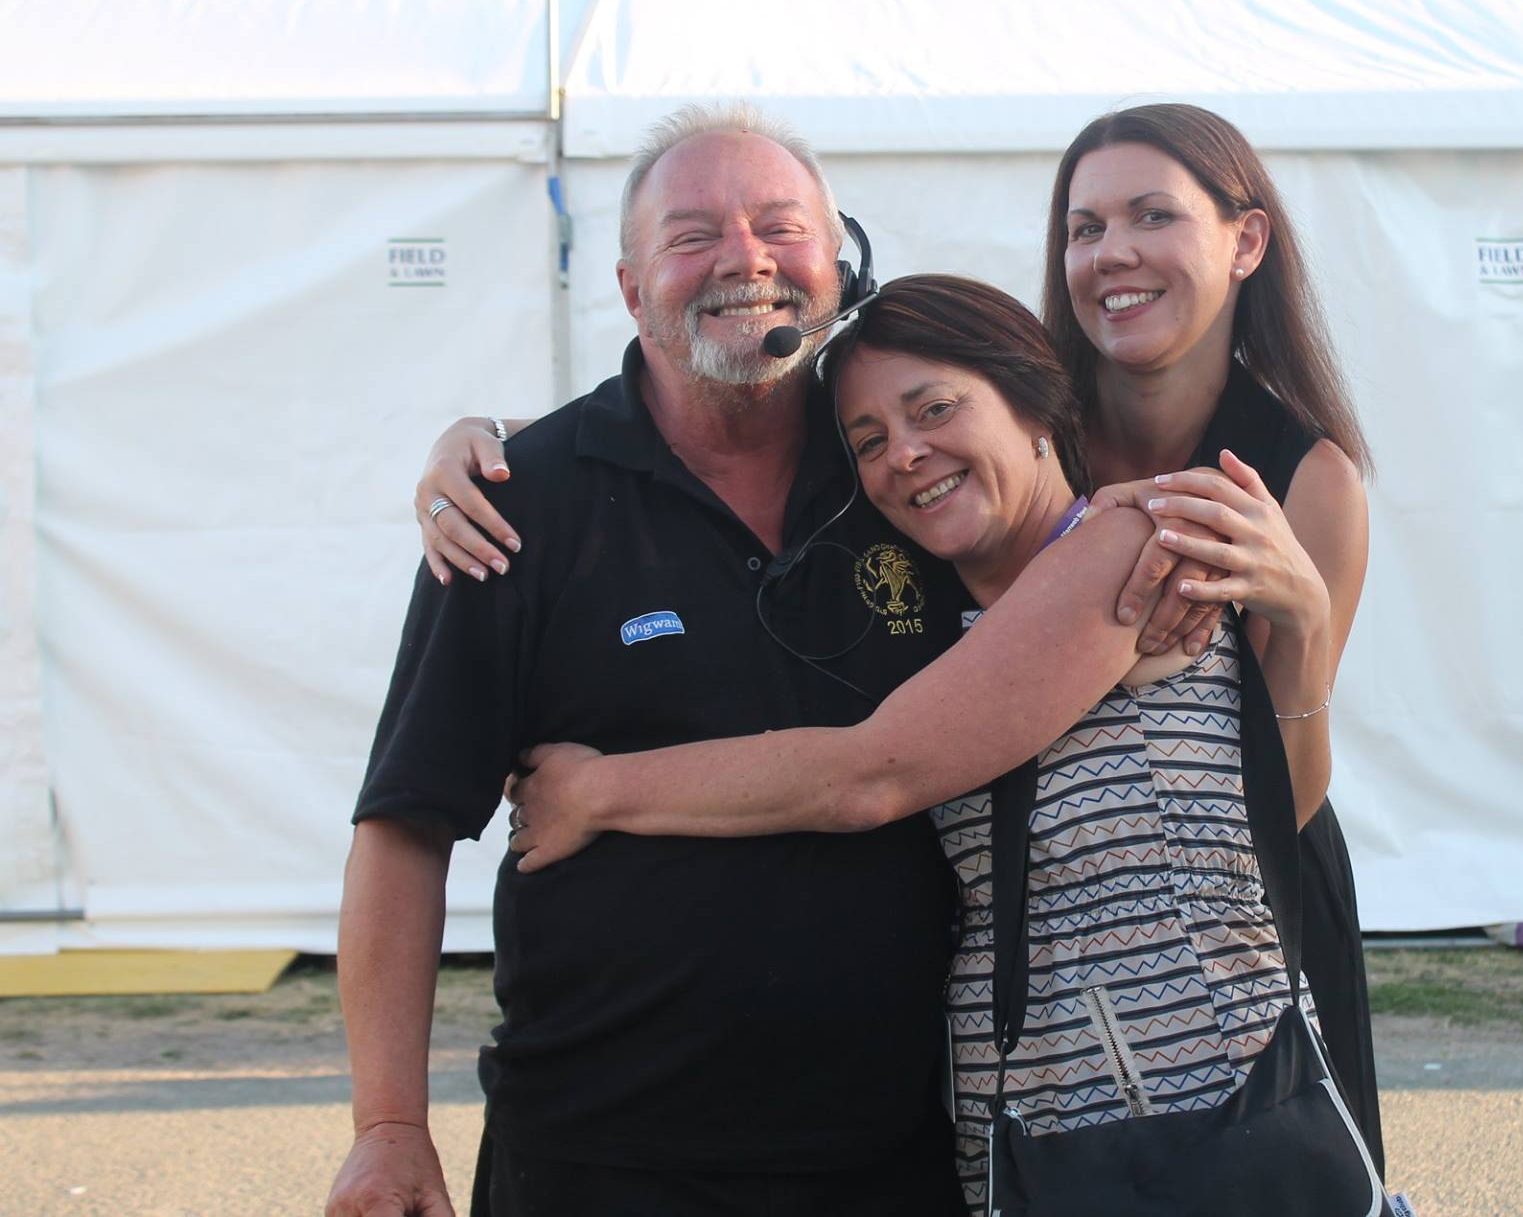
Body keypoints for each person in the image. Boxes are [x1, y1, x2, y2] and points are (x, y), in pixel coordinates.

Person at [413, 102, 1387, 1169]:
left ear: (1031, 408)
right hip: (1015, 1124)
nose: (904, 458)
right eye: (868, 441)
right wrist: (502, 442)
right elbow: (733, 400)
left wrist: (597, 791)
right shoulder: (936, 566)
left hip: (1183, 1110)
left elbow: (873, 774)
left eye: (934, 412)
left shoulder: (1145, 534)